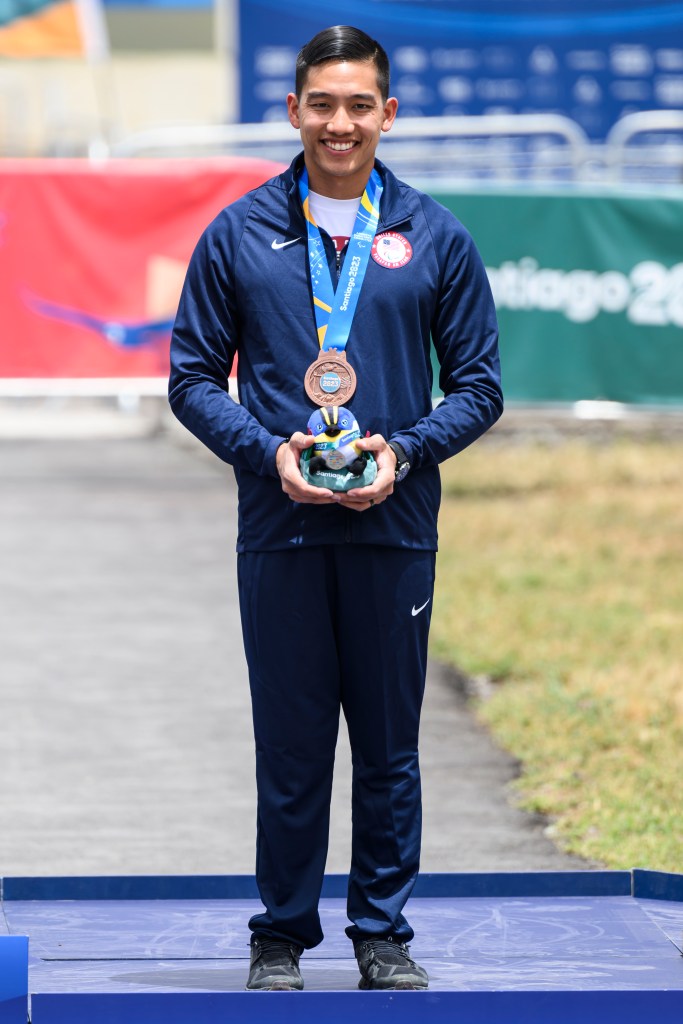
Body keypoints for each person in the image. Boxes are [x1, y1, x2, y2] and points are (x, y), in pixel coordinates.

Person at [169, 24, 503, 992]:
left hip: (392, 527)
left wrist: (403, 450)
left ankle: (381, 931)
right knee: (291, 742)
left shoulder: (436, 237)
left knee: (390, 747)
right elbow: (192, 379)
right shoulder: (237, 234)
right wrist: (267, 451)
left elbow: (478, 386)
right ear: (293, 112)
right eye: (322, 104)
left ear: (387, 114)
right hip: (279, 526)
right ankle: (279, 934)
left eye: (360, 105)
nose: (340, 123)